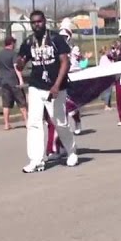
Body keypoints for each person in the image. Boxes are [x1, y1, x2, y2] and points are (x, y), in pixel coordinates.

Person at [15, 10, 77, 173]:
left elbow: (65, 63)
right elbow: (21, 62)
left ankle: (71, 151)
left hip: (56, 87)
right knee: (34, 122)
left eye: (39, 21)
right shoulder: (28, 42)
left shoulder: (56, 39)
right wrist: (20, 63)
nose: (37, 25)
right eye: (34, 22)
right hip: (36, 86)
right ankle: (36, 159)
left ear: (44, 22)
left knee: (59, 122)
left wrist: (56, 85)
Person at [0, 36, 27, 131]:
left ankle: (6, 124)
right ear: (11, 43)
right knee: (22, 103)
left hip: (4, 82)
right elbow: (16, 67)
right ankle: (27, 122)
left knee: (6, 104)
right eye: (14, 43)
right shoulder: (13, 54)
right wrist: (21, 79)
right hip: (14, 81)